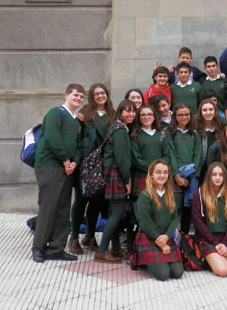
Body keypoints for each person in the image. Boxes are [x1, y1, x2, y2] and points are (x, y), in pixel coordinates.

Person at [32, 83, 85, 263]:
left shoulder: (76, 121)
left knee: (63, 209)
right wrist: (65, 160)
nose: (78, 98)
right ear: (66, 95)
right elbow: (52, 138)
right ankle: (38, 248)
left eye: (81, 96)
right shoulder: (56, 113)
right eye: (75, 95)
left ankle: (56, 249)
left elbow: (78, 145)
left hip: (67, 169)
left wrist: (75, 161)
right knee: (48, 207)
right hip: (50, 165)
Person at [69, 83, 115, 254]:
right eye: (96, 94)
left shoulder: (113, 115)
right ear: (92, 97)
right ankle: (74, 238)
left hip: (103, 165)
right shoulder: (85, 113)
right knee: (81, 200)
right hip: (86, 164)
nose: (100, 96)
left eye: (103, 93)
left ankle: (89, 237)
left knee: (96, 202)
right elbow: (76, 137)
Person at [94, 99, 136, 263]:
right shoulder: (120, 131)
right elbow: (122, 158)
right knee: (117, 213)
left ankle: (116, 248)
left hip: (111, 172)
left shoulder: (117, 127)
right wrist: (127, 180)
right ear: (120, 112)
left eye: (133, 111)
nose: (131, 114)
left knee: (114, 213)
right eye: (127, 111)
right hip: (115, 174)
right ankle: (101, 251)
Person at [131, 160, 183, 281]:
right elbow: (146, 223)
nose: (162, 175)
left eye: (165, 172)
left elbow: (175, 218)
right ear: (151, 175)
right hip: (149, 238)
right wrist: (161, 243)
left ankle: (156, 261)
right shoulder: (145, 196)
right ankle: (143, 262)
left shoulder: (170, 194)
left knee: (177, 273)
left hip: (166, 237)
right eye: (158, 172)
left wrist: (167, 236)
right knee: (163, 274)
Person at [192, 162, 227, 277]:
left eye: (221, 175)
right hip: (207, 239)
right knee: (223, 271)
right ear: (209, 176)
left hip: (226, 239)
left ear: (225, 177)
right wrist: (215, 243)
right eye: (214, 174)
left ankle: (218, 257)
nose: (218, 177)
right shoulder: (199, 193)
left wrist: (224, 243)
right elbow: (197, 221)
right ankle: (212, 258)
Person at [168, 103, 201, 233]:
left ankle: (185, 237)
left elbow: (198, 154)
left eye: (186, 114)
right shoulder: (170, 133)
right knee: (175, 208)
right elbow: (171, 155)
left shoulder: (194, 133)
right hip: (175, 177)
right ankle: (172, 237)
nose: (184, 117)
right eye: (180, 115)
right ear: (175, 116)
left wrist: (192, 173)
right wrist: (176, 175)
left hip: (190, 177)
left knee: (188, 209)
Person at [130, 105, 172, 199]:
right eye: (143, 115)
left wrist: (159, 170)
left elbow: (167, 155)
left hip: (160, 176)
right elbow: (136, 158)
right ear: (138, 118)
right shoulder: (135, 135)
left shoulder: (162, 134)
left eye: (149, 114)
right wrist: (152, 169)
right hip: (142, 175)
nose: (146, 117)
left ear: (154, 117)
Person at [193, 99, 223, 180]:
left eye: (211, 109)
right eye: (205, 110)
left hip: (217, 168)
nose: (208, 112)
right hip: (200, 168)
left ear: (215, 111)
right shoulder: (195, 127)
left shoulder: (221, 125)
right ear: (200, 112)